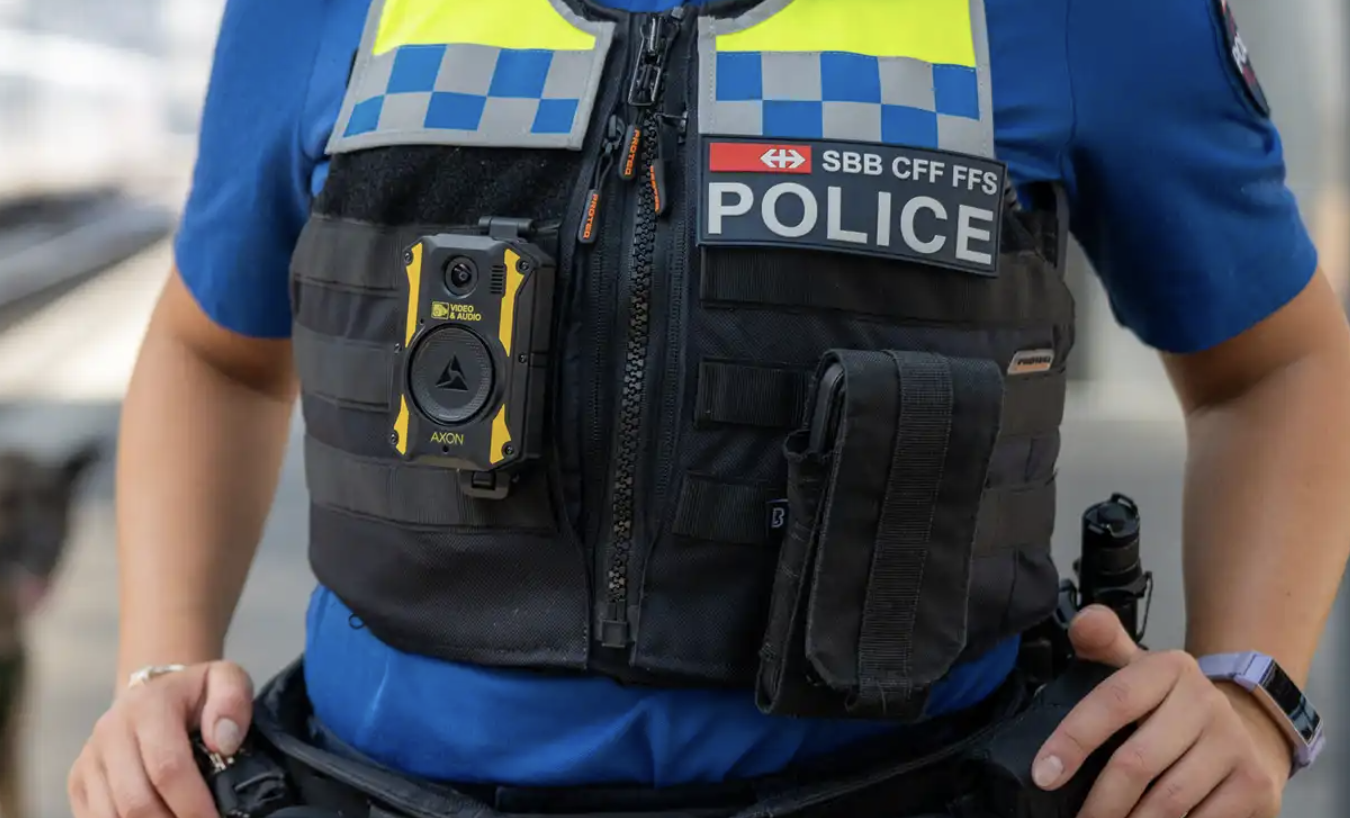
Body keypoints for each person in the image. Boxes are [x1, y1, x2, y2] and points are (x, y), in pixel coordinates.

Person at [68, 0, 1350, 817]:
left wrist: (1250, 691)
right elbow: (216, 352)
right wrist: (161, 671)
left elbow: (1278, 367)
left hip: (912, 785)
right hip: (372, 788)